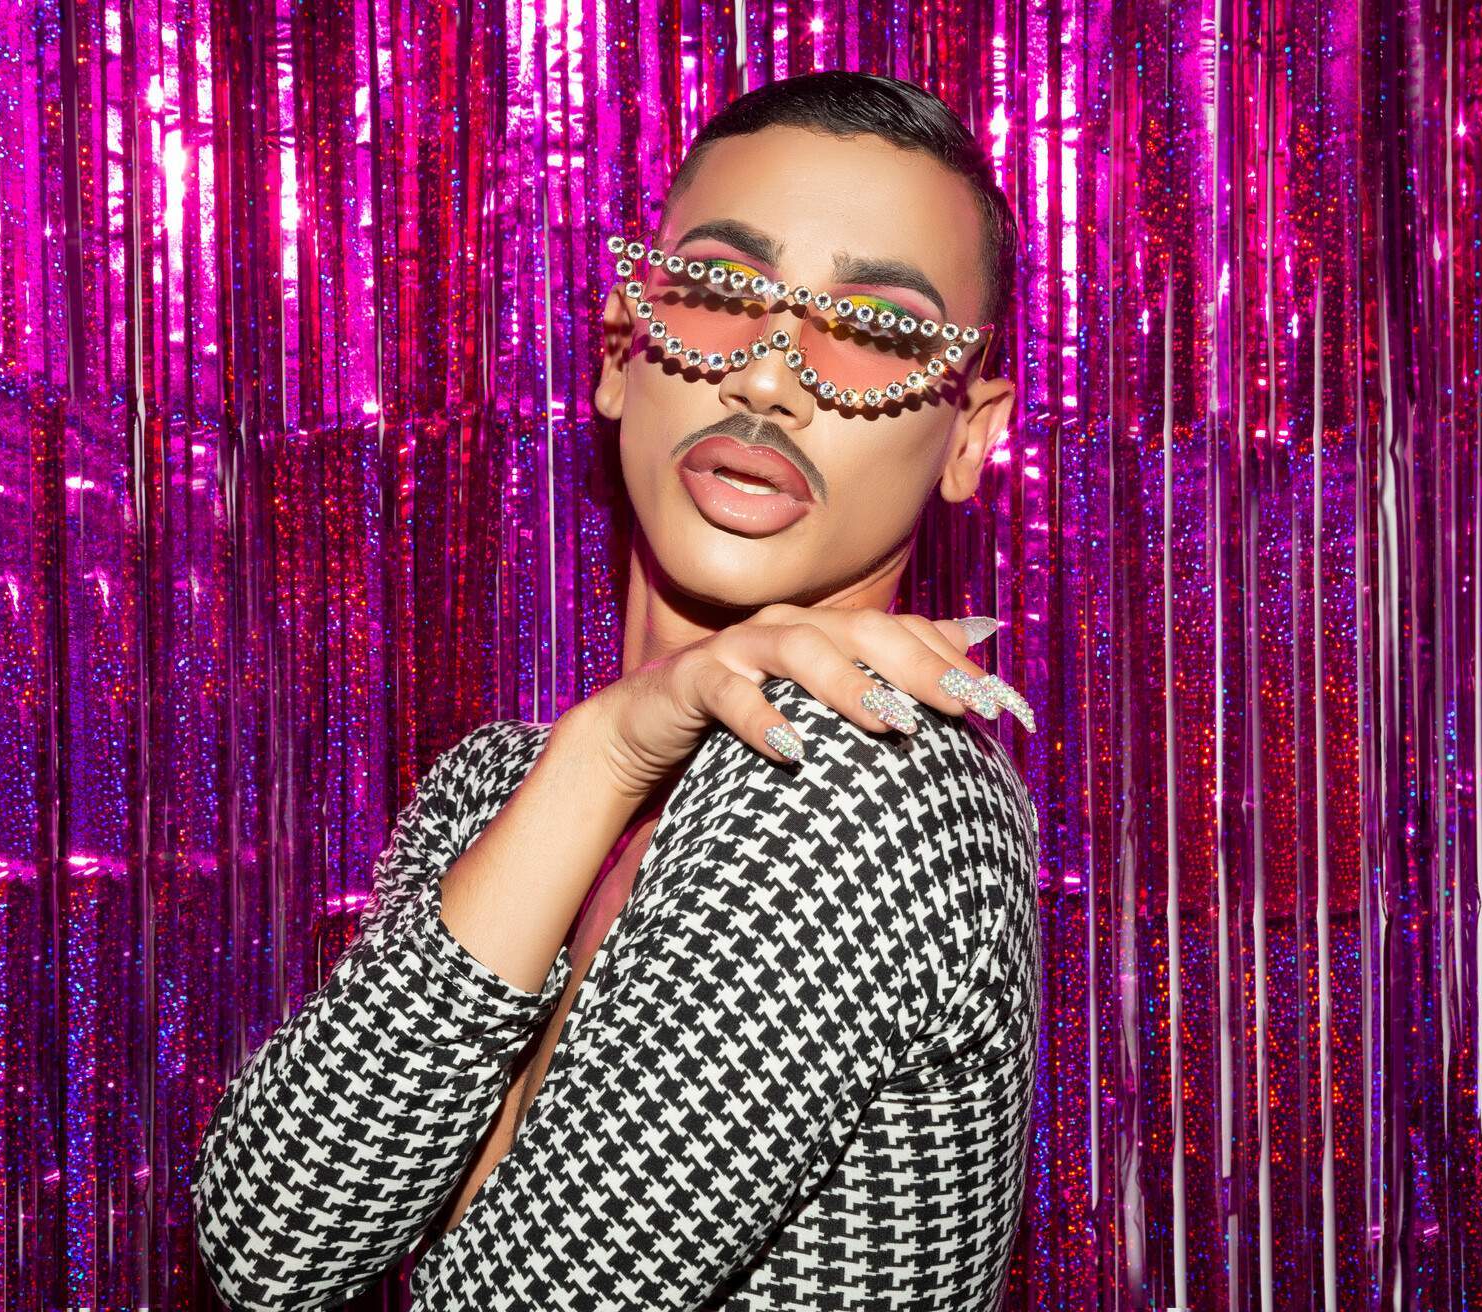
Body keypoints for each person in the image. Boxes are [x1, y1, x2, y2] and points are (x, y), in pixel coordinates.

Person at [191, 68, 1042, 1310]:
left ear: (968, 439)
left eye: (875, 331)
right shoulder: (510, 782)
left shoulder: (870, 779)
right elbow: (270, 1243)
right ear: (619, 352)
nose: (769, 376)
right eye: (716, 293)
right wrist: (600, 755)